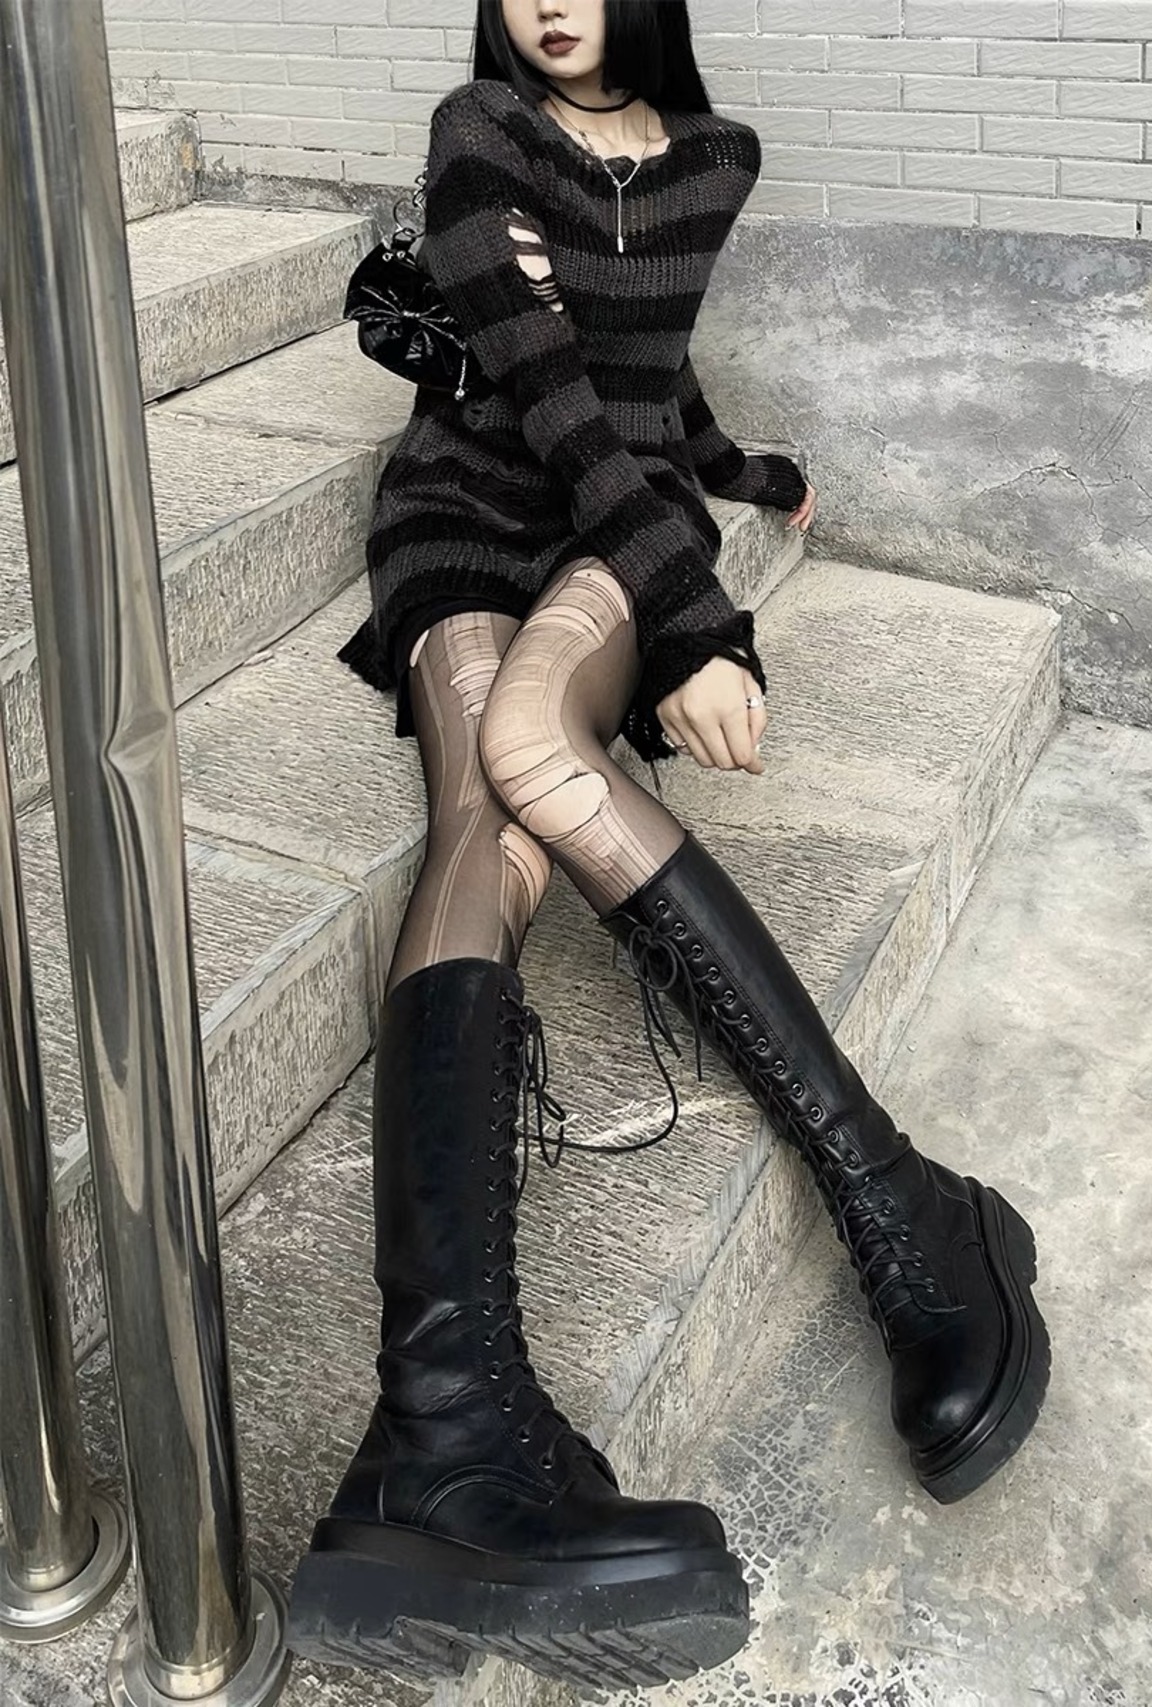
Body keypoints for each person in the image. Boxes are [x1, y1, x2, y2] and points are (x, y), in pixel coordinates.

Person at [285, 1, 1050, 1693]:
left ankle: (894, 1212)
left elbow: (644, 361)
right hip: (470, 512)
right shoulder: (481, 135)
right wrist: (703, 620)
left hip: (614, 533)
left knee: (532, 750)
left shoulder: (715, 159)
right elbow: (550, 389)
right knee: (490, 800)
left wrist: (736, 466)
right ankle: (457, 1410)